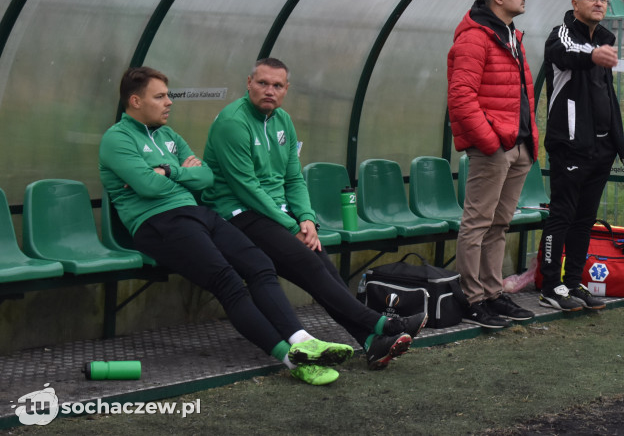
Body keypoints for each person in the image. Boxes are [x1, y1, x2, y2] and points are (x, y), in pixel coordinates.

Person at [99, 67, 353, 386]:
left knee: (260, 265)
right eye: (160, 96)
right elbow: (148, 187)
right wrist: (178, 173)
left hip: (197, 213)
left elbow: (206, 178)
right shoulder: (116, 139)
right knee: (228, 281)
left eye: (168, 95)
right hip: (158, 224)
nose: (169, 103)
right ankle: (293, 360)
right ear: (135, 101)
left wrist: (170, 172)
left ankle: (303, 340)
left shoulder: (168, 136)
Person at [202, 57, 423, 369]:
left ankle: (371, 342)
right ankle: (382, 325)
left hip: (275, 215)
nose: (269, 91)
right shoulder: (232, 122)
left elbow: (293, 179)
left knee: (321, 265)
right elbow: (246, 188)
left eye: (277, 86)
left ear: (286, 89)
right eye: (262, 83)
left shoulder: (284, 122)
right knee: (310, 262)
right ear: (249, 83)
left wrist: (306, 219)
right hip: (237, 213)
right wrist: (291, 226)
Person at [448, 0, 539, 328]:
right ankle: (472, 299)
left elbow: (520, 96)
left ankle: (493, 292)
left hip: (517, 146)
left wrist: (527, 140)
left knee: (499, 223)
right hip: (494, 147)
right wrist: (489, 142)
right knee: (478, 223)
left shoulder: (511, 36)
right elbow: (461, 97)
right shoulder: (475, 38)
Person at [539, 0, 624, 312]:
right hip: (571, 147)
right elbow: (564, 54)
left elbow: (606, 98)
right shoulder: (562, 35)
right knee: (562, 215)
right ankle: (551, 285)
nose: (599, 3)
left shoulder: (603, 40)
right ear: (575, 3)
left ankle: (573, 282)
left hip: (601, 149)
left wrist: (618, 144)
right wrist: (592, 53)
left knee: (585, 219)